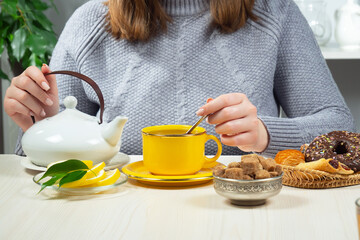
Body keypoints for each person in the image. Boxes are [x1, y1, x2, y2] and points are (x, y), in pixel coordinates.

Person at [4, 0, 355, 157]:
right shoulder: (88, 24)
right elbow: (32, 167)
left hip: (245, 217)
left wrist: (266, 134)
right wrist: (41, 125)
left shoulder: (275, 13)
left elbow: (342, 131)